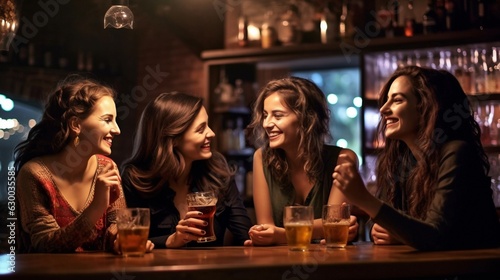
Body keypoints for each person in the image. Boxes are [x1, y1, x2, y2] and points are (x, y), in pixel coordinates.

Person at [333, 66, 500, 251]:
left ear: (426, 108)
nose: (383, 109)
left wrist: (364, 198)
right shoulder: (402, 161)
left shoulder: (456, 153)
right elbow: (390, 222)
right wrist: (389, 231)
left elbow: (435, 236)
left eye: (397, 100)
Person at [14, 75, 154, 253]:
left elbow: (116, 226)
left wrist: (121, 240)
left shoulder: (106, 167)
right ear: (75, 124)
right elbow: (46, 245)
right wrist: (97, 206)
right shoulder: (34, 174)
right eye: (107, 119)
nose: (117, 130)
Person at [121, 91, 253, 249]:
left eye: (208, 125)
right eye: (200, 129)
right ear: (174, 138)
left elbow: (245, 236)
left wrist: (262, 235)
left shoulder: (217, 172)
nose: (211, 133)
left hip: (211, 271)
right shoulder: (135, 179)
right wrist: (170, 240)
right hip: (156, 272)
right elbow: (129, 243)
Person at [243, 76, 359, 246]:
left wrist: (281, 235)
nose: (266, 124)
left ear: (306, 119)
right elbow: (266, 230)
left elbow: (335, 226)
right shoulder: (261, 158)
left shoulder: (343, 159)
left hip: (328, 262)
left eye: (278, 115)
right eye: (265, 115)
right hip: (277, 261)